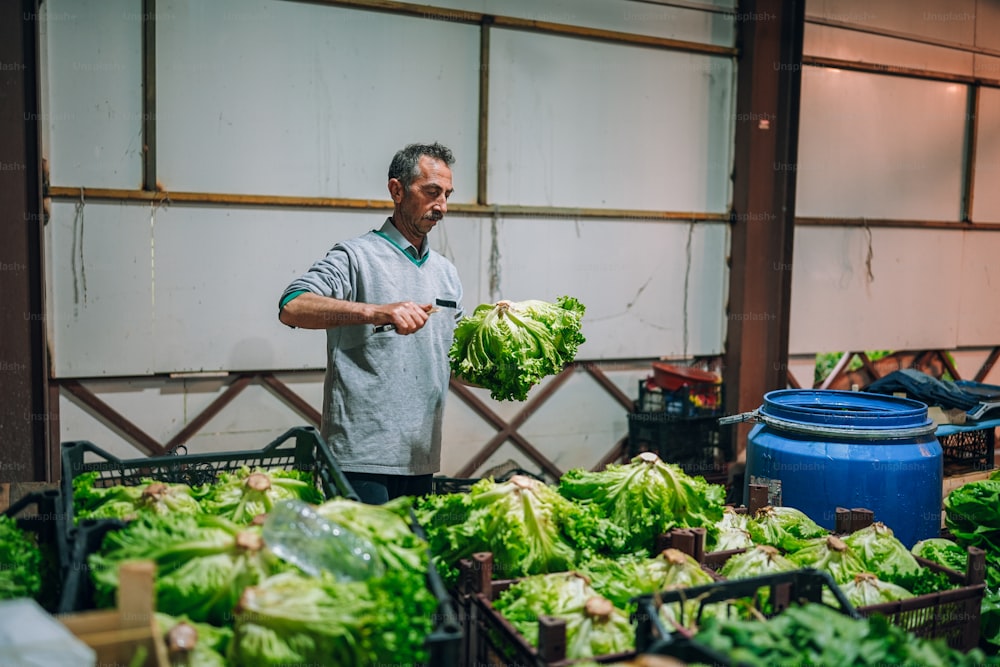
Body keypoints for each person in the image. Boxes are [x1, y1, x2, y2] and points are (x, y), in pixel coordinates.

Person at [278, 142, 463, 504]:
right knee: (363, 561)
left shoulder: (447, 273)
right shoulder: (356, 256)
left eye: (446, 195)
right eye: (431, 192)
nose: (441, 206)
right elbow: (292, 305)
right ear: (396, 190)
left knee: (409, 559)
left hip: (421, 457)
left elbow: (450, 362)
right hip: (360, 459)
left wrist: (510, 370)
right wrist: (376, 311)